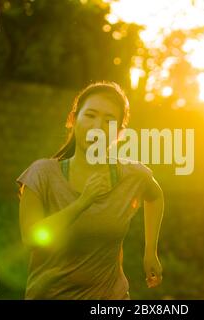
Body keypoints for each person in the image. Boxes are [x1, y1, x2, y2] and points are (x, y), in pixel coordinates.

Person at [16, 81, 164, 299]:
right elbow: (31, 238)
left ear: (120, 133)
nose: (98, 126)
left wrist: (151, 250)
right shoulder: (42, 174)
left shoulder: (132, 174)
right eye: (90, 115)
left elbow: (155, 196)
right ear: (72, 120)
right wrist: (82, 203)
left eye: (109, 120)